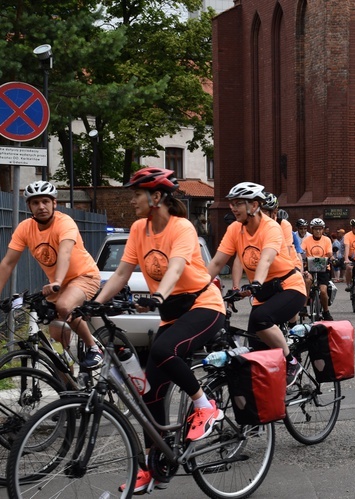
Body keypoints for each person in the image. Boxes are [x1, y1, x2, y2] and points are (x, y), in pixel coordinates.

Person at [92, 168, 226, 493]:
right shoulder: (139, 228)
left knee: (166, 352)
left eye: (137, 194)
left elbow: (177, 266)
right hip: (171, 316)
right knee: (149, 393)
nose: (132, 200)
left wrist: (158, 295)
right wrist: (95, 303)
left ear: (156, 198)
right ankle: (154, 466)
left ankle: (205, 406)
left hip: (203, 306)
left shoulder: (182, 227)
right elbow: (123, 273)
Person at [206, 180, 307, 384]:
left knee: (261, 318)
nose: (233, 208)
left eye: (238, 203)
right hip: (264, 293)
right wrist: (196, 287)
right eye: (232, 203)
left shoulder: (271, 227)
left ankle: (291, 362)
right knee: (255, 352)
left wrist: (256, 282)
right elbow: (217, 262)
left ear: (254, 205)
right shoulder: (235, 229)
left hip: (290, 287)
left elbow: (266, 259)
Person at [0, 181, 103, 368]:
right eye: (35, 202)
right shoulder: (25, 228)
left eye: (45, 201)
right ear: (29, 206)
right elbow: (7, 263)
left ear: (54, 203)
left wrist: (56, 281)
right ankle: (68, 383)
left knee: (64, 306)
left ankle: (94, 348)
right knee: (57, 344)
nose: (41, 207)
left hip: (84, 277)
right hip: (58, 284)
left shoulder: (65, 222)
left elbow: (64, 252)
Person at [301, 218, 335, 321]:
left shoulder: (327, 240)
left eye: (320, 229)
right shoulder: (307, 240)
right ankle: (303, 308)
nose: (318, 231)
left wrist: (332, 259)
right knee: (307, 282)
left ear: (323, 230)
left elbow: (329, 253)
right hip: (310, 267)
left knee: (323, 291)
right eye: (316, 229)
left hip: (323, 267)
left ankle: (326, 311)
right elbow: (302, 251)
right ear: (312, 230)